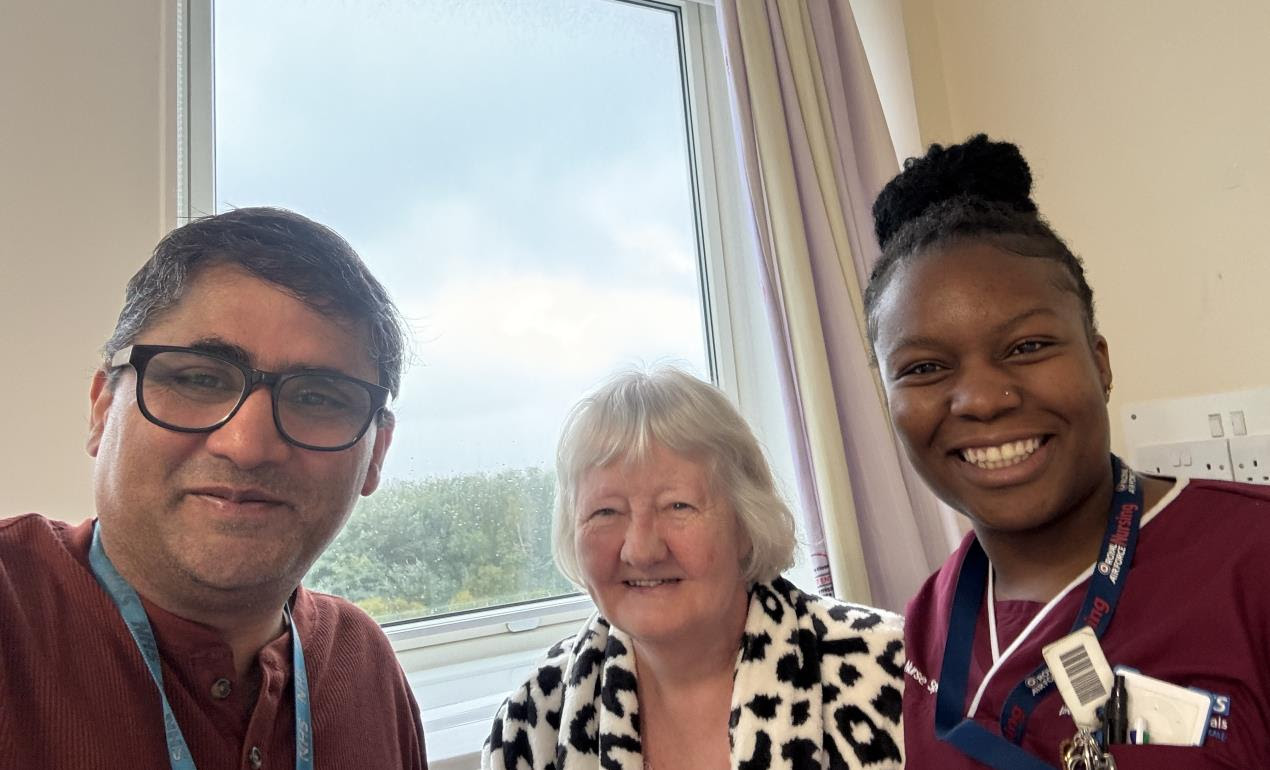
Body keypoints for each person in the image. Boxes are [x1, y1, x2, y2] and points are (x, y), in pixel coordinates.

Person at [867, 135, 1270, 768]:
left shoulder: (1252, 558)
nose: (982, 400)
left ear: (1100, 362)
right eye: (924, 368)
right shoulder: (928, 622)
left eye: (1027, 347)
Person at [0, 207, 428, 768]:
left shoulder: (363, 662)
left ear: (376, 455)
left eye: (317, 397)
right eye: (200, 378)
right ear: (103, 410)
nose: (248, 445)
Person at [482, 367, 905, 770]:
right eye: (605, 512)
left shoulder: (892, 671)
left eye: (678, 506)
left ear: (746, 523)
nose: (641, 550)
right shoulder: (530, 723)